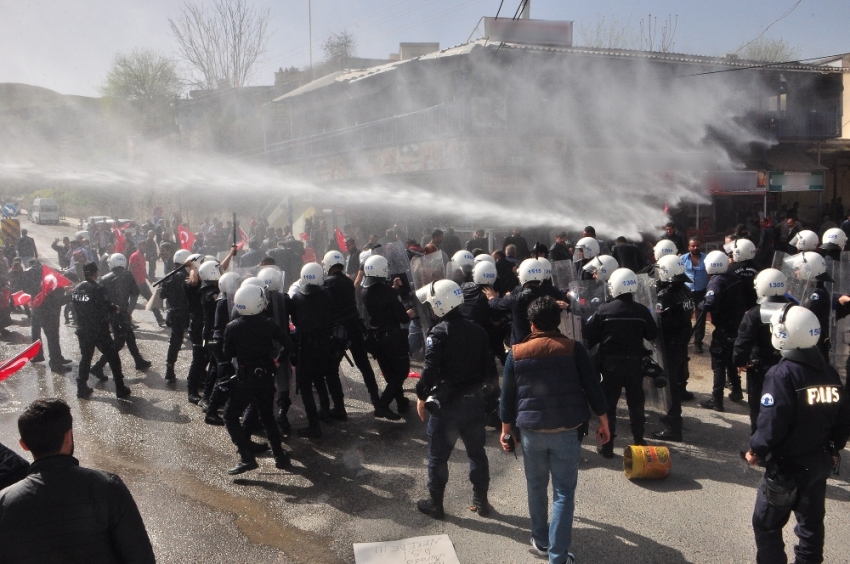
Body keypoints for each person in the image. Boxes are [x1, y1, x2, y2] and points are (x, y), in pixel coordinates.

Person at [500, 296, 609, 564]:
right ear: (557, 321)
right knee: (563, 493)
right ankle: (558, 557)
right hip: (566, 431)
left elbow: (507, 396)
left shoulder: (516, 353)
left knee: (536, 487)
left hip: (531, 433)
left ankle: (540, 541)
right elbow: (593, 386)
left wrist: (506, 430)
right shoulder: (573, 348)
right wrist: (604, 421)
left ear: (532, 324)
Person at [745, 306, 850, 564]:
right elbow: (843, 418)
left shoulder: (782, 374)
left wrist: (756, 450)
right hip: (818, 463)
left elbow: (772, 423)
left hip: (787, 466)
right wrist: (835, 447)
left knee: (767, 525)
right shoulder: (830, 373)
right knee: (811, 527)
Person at [0, 398, 156, 563]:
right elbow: (140, 556)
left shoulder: (4, 503)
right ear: (68, 436)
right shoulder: (107, 486)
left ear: (24, 444)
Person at [414, 279, 495, 520]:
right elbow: (489, 370)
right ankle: (481, 501)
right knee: (477, 453)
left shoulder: (438, 333)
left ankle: (435, 504)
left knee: (438, 458)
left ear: (439, 305)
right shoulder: (478, 331)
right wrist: (489, 401)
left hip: (448, 406)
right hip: (474, 403)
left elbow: (429, 372)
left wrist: (421, 395)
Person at [584, 268, 658, 457]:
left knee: (609, 406)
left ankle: (607, 447)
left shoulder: (604, 310)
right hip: (634, 365)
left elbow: (589, 335)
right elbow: (652, 334)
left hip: (610, 366)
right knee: (636, 405)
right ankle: (639, 442)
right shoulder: (642, 311)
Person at [221, 285, 292, 474]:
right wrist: (277, 362)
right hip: (266, 376)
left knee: (229, 416)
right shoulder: (268, 323)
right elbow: (288, 343)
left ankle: (246, 457)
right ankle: (279, 456)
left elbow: (227, 354)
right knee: (267, 416)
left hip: (245, 379)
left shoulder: (232, 327)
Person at [289, 262, 343, 438]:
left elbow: (295, 321)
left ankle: (313, 424)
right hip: (325, 345)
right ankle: (325, 411)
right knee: (320, 379)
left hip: (305, 347)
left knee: (305, 386)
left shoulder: (296, 297)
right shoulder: (328, 295)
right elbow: (334, 317)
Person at [733, 268, 790, 433]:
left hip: (760, 368)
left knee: (759, 406)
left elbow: (743, 341)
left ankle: (758, 446)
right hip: (787, 365)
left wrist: (740, 362)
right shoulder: (793, 309)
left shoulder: (754, 313)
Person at [323, 251, 381, 405]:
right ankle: (376, 399)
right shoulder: (348, 281)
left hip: (340, 331)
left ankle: (339, 406)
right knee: (364, 365)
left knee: (331, 369)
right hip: (355, 326)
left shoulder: (328, 283)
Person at [362, 255, 415, 420]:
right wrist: (411, 313)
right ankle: (383, 405)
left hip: (376, 339)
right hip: (392, 339)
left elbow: (382, 300)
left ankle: (401, 402)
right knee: (401, 371)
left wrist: (393, 290)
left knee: (390, 373)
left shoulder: (365, 290)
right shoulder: (386, 293)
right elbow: (402, 318)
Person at [72, 262, 131, 399]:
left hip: (83, 329)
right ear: (95, 273)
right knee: (113, 358)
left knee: (86, 358)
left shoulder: (77, 289)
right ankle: (120, 388)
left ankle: (81, 388)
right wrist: (114, 308)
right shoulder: (98, 288)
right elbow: (104, 306)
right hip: (98, 330)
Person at [91, 253, 152, 380]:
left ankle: (138, 360)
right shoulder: (128, 276)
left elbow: (100, 299)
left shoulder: (104, 279)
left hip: (112, 313)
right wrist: (129, 311)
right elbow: (135, 294)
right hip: (121, 312)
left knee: (130, 336)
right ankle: (98, 366)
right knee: (119, 342)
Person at [699, 250, 746, 412]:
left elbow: (710, 303)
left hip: (723, 329)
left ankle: (716, 400)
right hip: (736, 327)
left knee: (719, 364)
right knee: (731, 361)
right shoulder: (734, 277)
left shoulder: (716, 281)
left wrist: (700, 305)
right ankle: (737, 390)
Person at [484, 258, 567, 346]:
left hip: (521, 346)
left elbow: (496, 304)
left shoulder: (516, 299)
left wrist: (492, 297)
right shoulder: (548, 297)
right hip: (545, 343)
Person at [160, 249, 192, 382]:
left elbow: (162, 295)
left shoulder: (169, 276)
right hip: (185, 313)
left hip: (173, 313)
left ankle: (170, 368)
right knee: (198, 342)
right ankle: (200, 371)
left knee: (175, 342)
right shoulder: (185, 276)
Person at [129, 241, 164, 326]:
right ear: (139, 246)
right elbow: (130, 270)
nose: (145, 248)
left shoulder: (142, 256)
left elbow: (143, 270)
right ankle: (126, 320)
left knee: (152, 300)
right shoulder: (134, 256)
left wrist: (148, 278)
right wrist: (134, 282)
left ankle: (159, 319)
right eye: (144, 246)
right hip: (136, 284)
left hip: (143, 283)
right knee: (132, 304)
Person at [684, 238, 708, 354]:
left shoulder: (706, 258)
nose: (695, 248)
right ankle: (686, 339)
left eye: (697, 246)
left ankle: (698, 342)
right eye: (693, 246)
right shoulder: (682, 259)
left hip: (701, 292)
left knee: (700, 318)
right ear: (689, 247)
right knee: (686, 316)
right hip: (687, 292)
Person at [727, 238, 759, 311]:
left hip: (736, 307)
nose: (731, 254)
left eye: (732, 252)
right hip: (755, 306)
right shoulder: (759, 268)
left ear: (738, 252)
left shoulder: (730, 270)